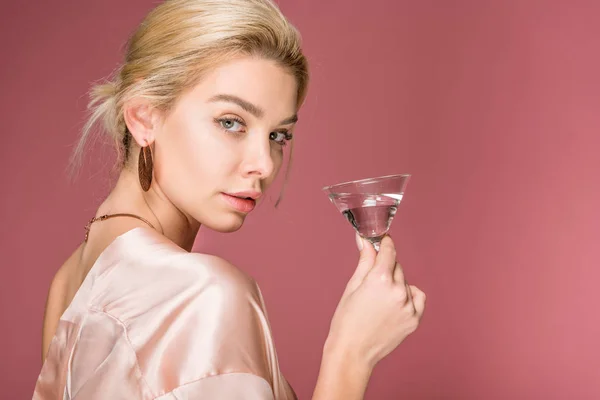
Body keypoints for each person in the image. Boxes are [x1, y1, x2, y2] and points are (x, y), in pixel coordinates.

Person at [33, 0, 426, 398]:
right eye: (231, 122)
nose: (264, 164)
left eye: (278, 135)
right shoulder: (205, 293)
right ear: (143, 117)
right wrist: (351, 354)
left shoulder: (71, 280)